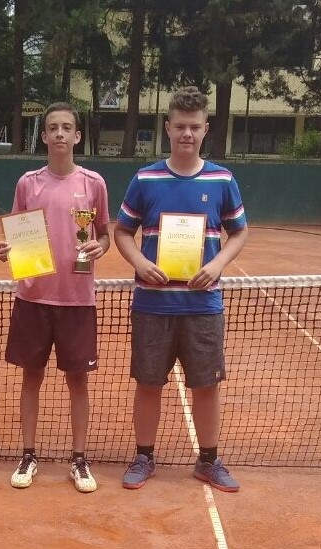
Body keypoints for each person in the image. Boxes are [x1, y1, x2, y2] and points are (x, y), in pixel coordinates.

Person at [114, 86, 248, 493]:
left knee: (206, 386)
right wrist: (140, 263)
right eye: (180, 126)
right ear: (167, 128)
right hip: (152, 305)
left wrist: (217, 264)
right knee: (148, 383)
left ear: (205, 129)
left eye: (194, 126)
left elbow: (239, 232)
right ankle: (144, 456)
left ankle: (208, 460)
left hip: (203, 306)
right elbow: (122, 231)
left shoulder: (222, 179)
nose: (187, 133)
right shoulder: (145, 178)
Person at [0, 102, 110, 493]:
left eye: (66, 127)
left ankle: (79, 459)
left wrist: (100, 247)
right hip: (33, 298)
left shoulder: (94, 183)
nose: (59, 133)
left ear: (77, 136)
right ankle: (28, 454)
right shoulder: (28, 183)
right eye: (52, 128)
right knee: (32, 377)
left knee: (78, 382)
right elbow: (16, 232)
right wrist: (7, 251)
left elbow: (105, 234)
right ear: (43, 136)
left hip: (77, 300)